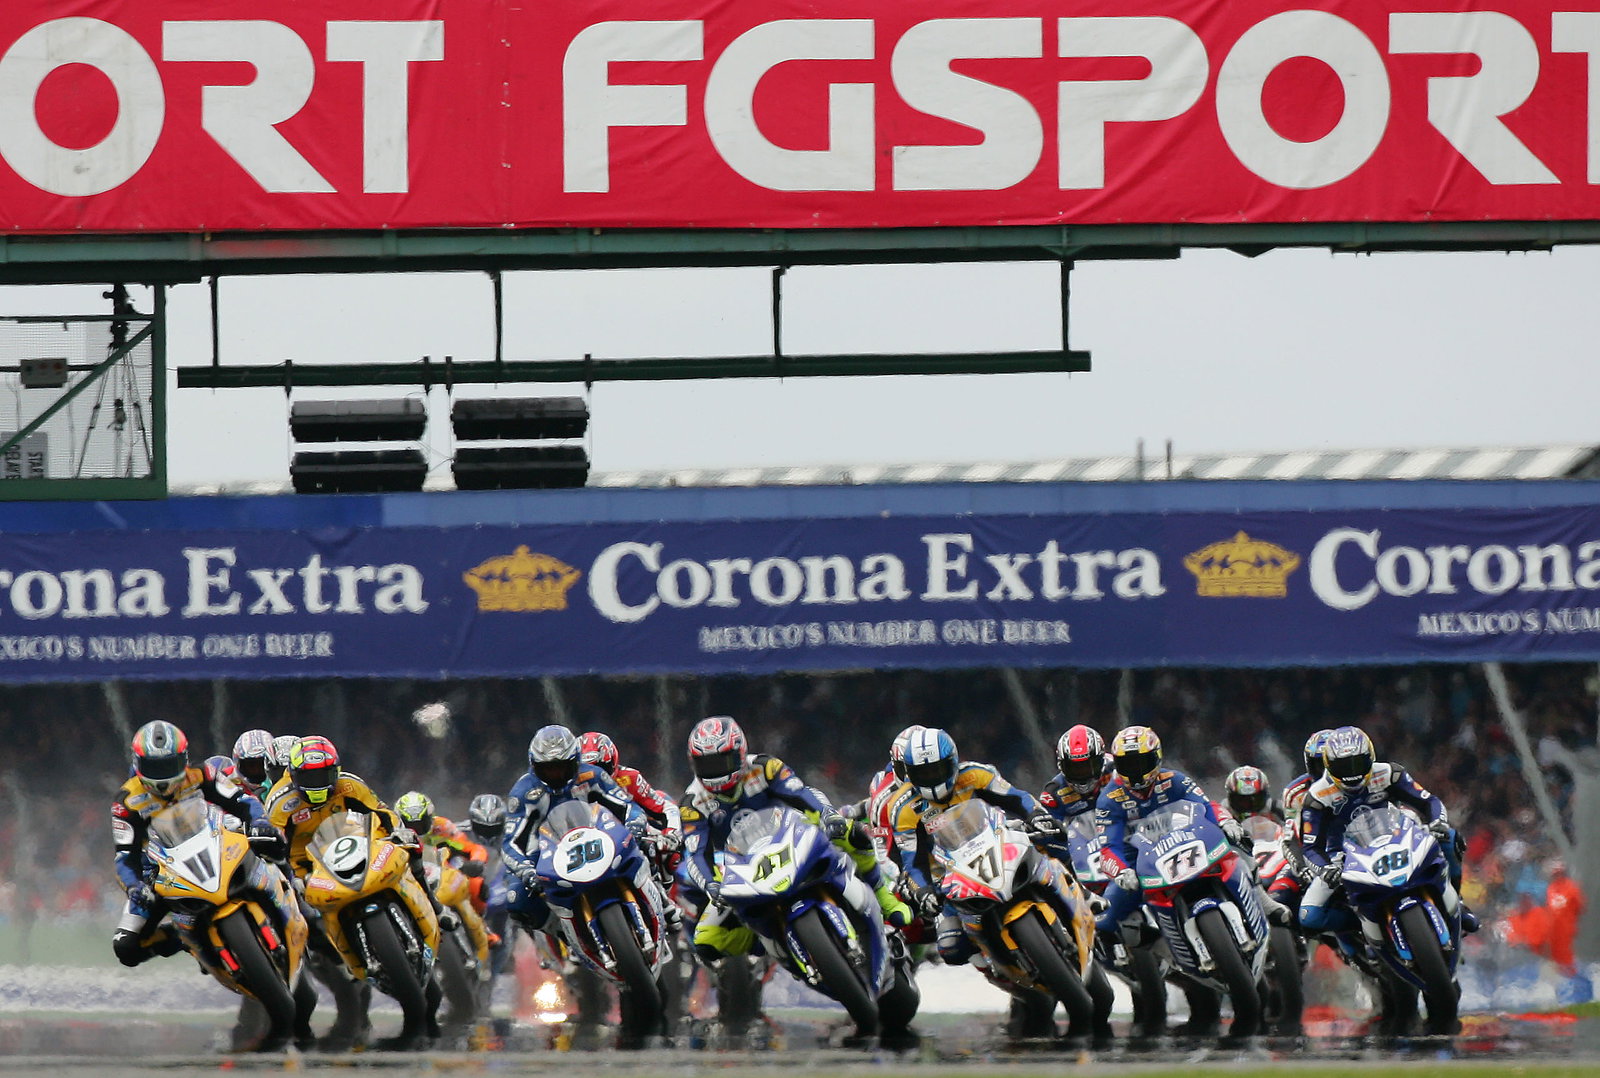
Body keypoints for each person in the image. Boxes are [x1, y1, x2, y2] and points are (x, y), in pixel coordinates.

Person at [680, 716, 912, 960]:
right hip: (740, 864)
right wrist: (711, 884)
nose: (717, 772)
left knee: (848, 830)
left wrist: (828, 817)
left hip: (791, 834)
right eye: (706, 765)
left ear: (740, 752)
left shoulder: (764, 767)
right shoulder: (691, 802)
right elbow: (697, 852)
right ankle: (763, 940)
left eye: (722, 761)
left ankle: (884, 898)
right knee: (705, 941)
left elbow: (800, 794)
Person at [111, 720, 281, 967]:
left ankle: (293, 906)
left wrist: (259, 821)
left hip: (213, 847)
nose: (163, 777)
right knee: (125, 947)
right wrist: (134, 887)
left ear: (184, 759)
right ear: (137, 765)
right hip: (160, 875)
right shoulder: (125, 803)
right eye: (154, 767)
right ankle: (183, 938)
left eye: (169, 765)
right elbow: (125, 856)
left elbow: (241, 800)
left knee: (271, 847)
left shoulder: (202, 775)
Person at [1093, 726, 1288, 940]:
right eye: (1128, 765)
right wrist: (1121, 872)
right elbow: (1108, 848)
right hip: (1140, 861)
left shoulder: (1174, 779)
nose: (1136, 772)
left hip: (1185, 841)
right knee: (1105, 919)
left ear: (1156, 758)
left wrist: (1226, 822)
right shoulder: (1109, 799)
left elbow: (1206, 805)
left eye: (1141, 763)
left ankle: (1262, 900)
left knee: (1237, 843)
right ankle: (1155, 951)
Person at [888, 726, 1059, 966]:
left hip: (998, 849)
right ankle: (997, 969)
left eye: (937, 770)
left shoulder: (976, 774)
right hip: (951, 879)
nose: (932, 779)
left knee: (1054, 843)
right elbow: (912, 861)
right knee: (952, 948)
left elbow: (1017, 798)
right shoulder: (902, 808)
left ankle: (1083, 898)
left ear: (953, 762)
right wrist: (924, 890)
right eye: (923, 773)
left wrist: (1035, 815)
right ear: (909, 773)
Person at [1297, 725, 1478, 935]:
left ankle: (1458, 902)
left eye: (1358, 763)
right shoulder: (1317, 797)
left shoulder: (1389, 772)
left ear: (1371, 756)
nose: (1352, 773)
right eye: (1344, 766)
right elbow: (1311, 847)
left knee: (1450, 837)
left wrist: (1438, 822)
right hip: (1343, 856)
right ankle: (1360, 930)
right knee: (1309, 917)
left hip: (1396, 834)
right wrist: (1325, 868)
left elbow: (1429, 801)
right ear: (1329, 766)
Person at [265, 736, 454, 930]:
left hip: (355, 843)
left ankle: (435, 907)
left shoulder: (349, 784)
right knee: (304, 916)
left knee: (411, 846)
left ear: (336, 771)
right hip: (306, 864)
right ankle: (324, 954)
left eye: (324, 776)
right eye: (309, 778)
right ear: (294, 775)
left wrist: (399, 831)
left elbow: (382, 811)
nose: (316, 784)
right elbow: (274, 844)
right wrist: (289, 876)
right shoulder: (280, 802)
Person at [502, 725, 650, 936]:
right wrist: (526, 870)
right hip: (546, 852)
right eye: (548, 769)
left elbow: (627, 805)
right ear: (534, 766)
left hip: (599, 834)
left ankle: (662, 902)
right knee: (517, 899)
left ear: (576, 760)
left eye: (562, 767)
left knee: (648, 845)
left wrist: (636, 822)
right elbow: (510, 842)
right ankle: (561, 933)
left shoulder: (592, 774)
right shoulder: (523, 792)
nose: (556, 775)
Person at [579, 730, 684, 867]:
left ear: (612, 761)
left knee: (670, 857)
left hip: (633, 833)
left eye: (600, 768)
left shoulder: (629, 778)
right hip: (590, 844)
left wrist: (671, 835)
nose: (595, 775)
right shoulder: (570, 788)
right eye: (587, 770)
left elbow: (667, 807)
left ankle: (665, 881)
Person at [1039, 724, 1114, 825]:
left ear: (1101, 761)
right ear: (1061, 766)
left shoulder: (1117, 770)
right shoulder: (1053, 795)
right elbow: (1052, 831)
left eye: (1088, 767)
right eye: (1075, 768)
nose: (1082, 774)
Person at [1281, 729, 1334, 819]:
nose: (1326, 773)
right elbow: (1293, 829)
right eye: (1321, 765)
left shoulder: (1360, 783)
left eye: (1332, 765)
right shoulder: (1295, 793)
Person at [231, 729, 279, 800]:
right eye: (251, 766)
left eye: (261, 765)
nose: (256, 771)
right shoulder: (227, 780)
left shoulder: (285, 779)